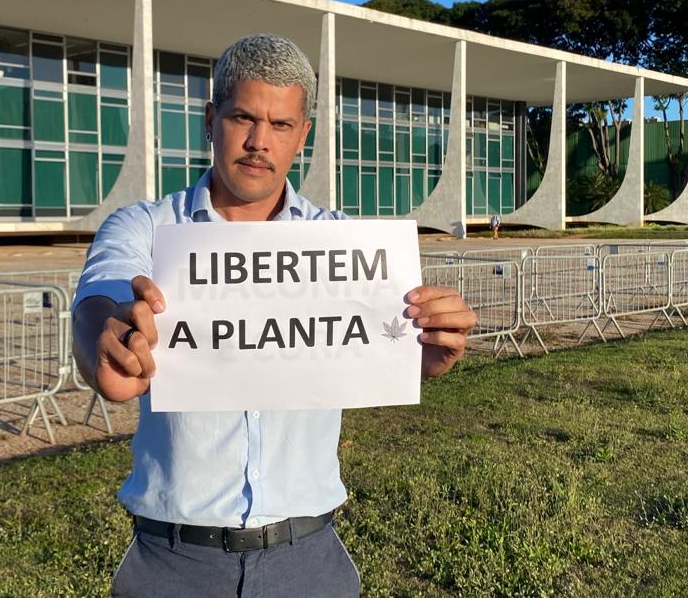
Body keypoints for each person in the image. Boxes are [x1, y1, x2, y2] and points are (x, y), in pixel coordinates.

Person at [71, 34, 477, 598]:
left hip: (307, 560)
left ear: (303, 134)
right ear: (211, 119)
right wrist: (105, 339)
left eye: (281, 125)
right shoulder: (144, 229)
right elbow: (97, 302)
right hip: (172, 563)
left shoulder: (343, 246)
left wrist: (425, 350)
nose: (260, 142)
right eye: (243, 118)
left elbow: (385, 343)